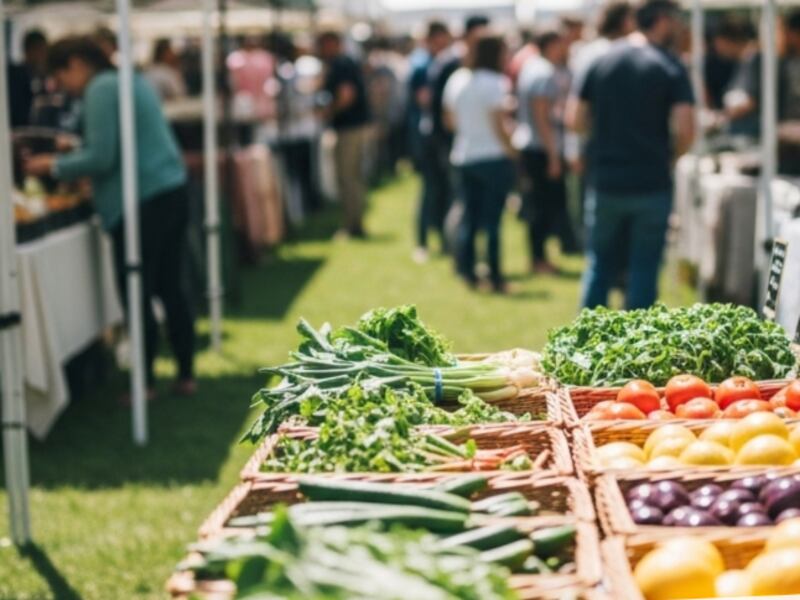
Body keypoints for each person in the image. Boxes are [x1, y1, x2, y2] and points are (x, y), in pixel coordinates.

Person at [25, 37, 197, 400]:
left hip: (143, 200)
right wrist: (78, 151)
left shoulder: (101, 88)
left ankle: (145, 382)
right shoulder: (128, 79)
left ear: (75, 63)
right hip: (170, 189)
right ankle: (185, 373)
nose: (62, 86)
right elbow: (119, 144)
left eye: (60, 75)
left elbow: (102, 158)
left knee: (137, 290)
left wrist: (53, 165)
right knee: (170, 286)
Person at [567, 0, 695, 309]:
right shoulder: (669, 64)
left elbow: (574, 119)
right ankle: (635, 349)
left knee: (598, 265)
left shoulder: (600, 60)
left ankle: (583, 343)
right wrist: (672, 157)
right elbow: (687, 129)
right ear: (662, 20)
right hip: (651, 181)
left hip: (606, 179)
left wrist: (602, 140)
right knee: (644, 269)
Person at [444, 33, 516, 292]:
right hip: (493, 157)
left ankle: (468, 271)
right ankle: (495, 276)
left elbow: (449, 120)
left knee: (469, 218)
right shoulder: (496, 82)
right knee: (493, 222)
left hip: (464, 155)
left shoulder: (457, 80)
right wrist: (512, 151)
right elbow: (500, 125)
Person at [515, 29, 576, 274]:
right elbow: (542, 117)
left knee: (538, 205)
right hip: (541, 148)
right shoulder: (543, 72)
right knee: (541, 207)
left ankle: (540, 257)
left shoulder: (532, 67)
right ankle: (539, 259)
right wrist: (553, 155)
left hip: (533, 146)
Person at [317, 30, 371, 238]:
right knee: (353, 176)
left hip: (349, 127)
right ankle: (354, 221)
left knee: (347, 177)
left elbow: (346, 95)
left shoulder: (341, 64)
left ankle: (352, 225)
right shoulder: (346, 62)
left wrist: (329, 112)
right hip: (354, 126)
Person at [411, 21, 452, 261]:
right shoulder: (422, 64)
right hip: (426, 138)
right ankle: (423, 241)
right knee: (430, 189)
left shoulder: (433, 62)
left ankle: (441, 237)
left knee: (441, 189)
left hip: (433, 136)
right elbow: (424, 100)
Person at [711, 18, 760, 138]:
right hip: (740, 132)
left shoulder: (755, 61)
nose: (718, 50)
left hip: (752, 133)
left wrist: (721, 117)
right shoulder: (742, 62)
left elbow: (751, 102)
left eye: (719, 44)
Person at [8, 29, 48, 128]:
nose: (43, 56)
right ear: (28, 50)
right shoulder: (14, 74)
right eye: (40, 50)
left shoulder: (42, 75)